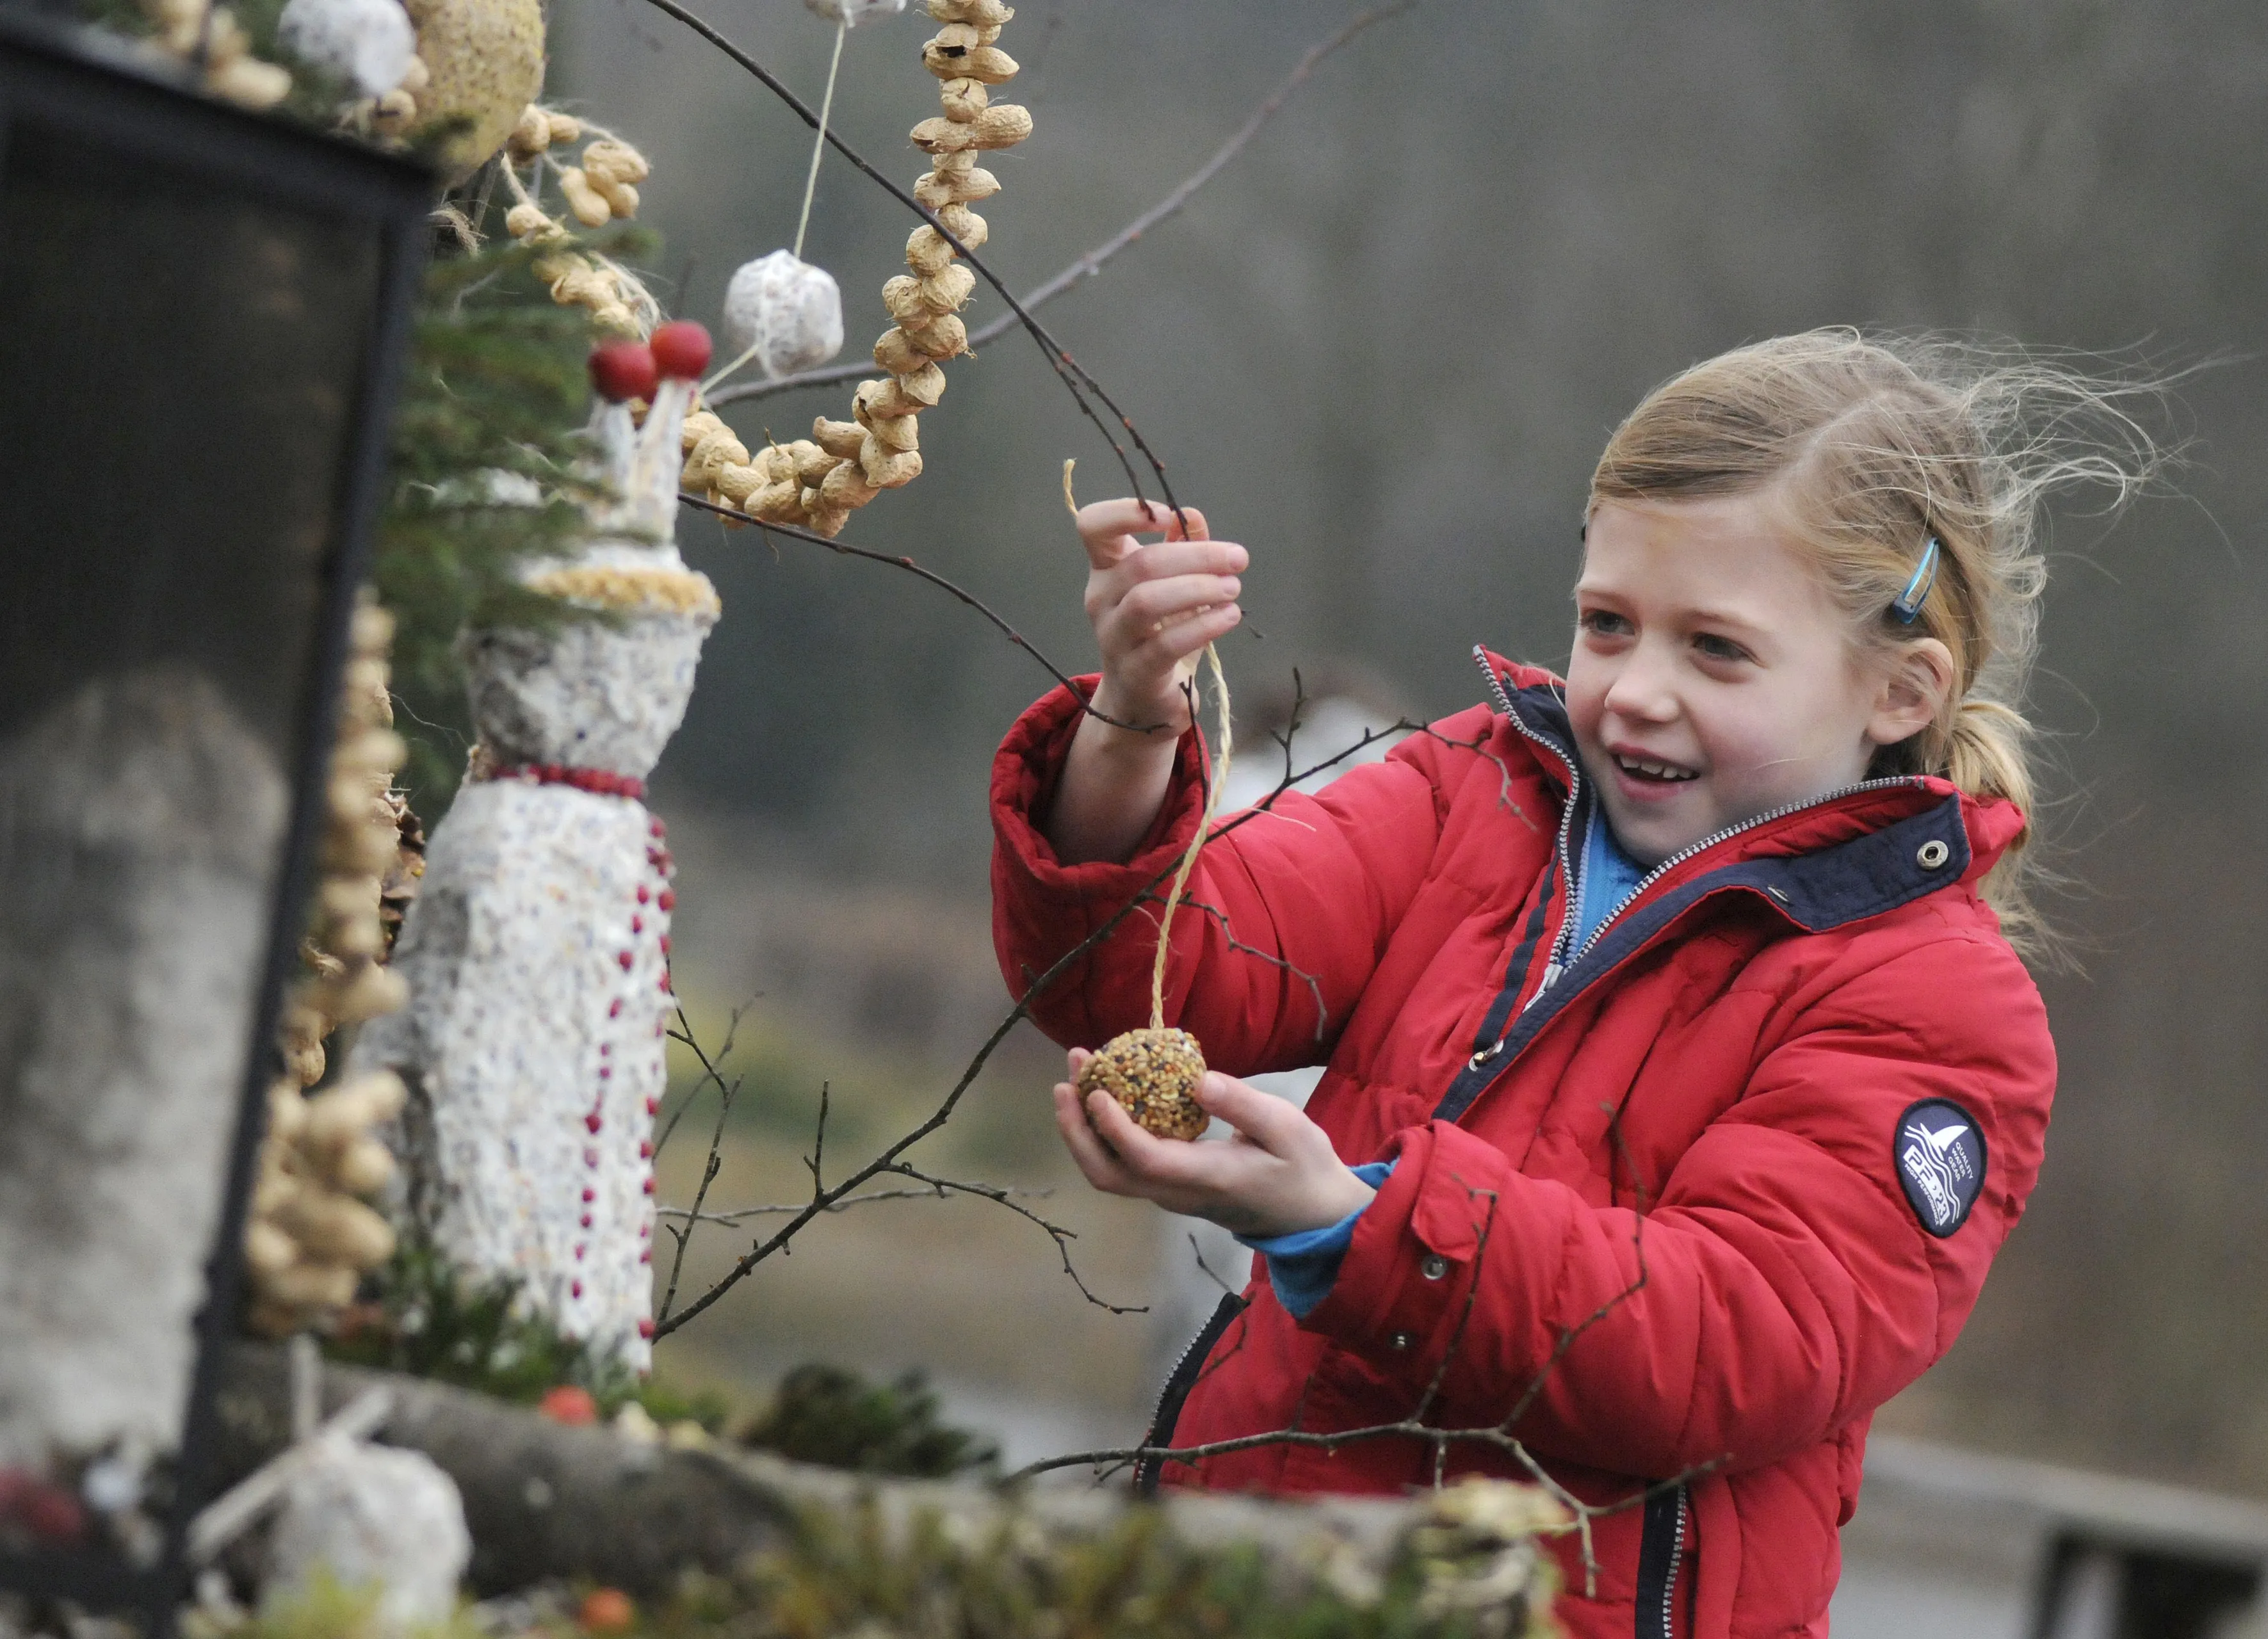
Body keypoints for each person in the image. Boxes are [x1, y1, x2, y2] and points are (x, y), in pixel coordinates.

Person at [988, 331, 2157, 1638]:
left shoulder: (1939, 1005)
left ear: (1898, 688)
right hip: (1240, 1590)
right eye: (1608, 623)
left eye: (1715, 649)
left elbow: (1729, 1339)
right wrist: (1135, 720)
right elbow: (1157, 969)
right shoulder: (1469, 789)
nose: (1634, 692)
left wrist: (1353, 1231)